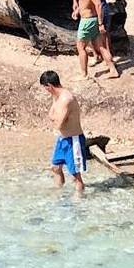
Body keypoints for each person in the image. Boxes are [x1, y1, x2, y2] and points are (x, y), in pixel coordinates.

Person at [40, 68, 88, 196]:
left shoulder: (66, 99)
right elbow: (51, 115)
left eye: (45, 88)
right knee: (56, 167)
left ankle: (79, 200)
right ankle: (59, 193)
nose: (46, 91)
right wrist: (54, 117)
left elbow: (59, 123)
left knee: (75, 175)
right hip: (63, 139)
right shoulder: (56, 96)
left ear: (49, 86)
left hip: (74, 140)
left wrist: (54, 118)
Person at [70, 0, 119, 79]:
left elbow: (98, 4)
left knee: (81, 47)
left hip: (88, 21)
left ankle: (84, 74)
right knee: (101, 47)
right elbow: (87, 2)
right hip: (91, 19)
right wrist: (77, 10)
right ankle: (113, 70)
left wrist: (101, 23)